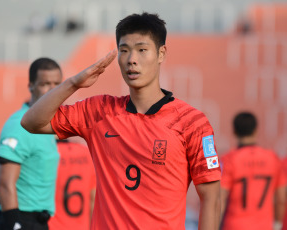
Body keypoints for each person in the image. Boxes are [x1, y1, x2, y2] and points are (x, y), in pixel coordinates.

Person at [21, 12, 221, 230]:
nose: (131, 59)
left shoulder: (192, 122)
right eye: (124, 50)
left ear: (161, 53)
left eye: (142, 50)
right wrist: (74, 83)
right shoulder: (99, 111)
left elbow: (211, 197)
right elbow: (32, 122)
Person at [0, 58, 63, 230]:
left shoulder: (49, 124)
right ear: (31, 86)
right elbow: (5, 182)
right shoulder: (20, 125)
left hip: (40, 220)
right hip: (22, 220)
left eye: (57, 84)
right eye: (45, 83)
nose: (52, 90)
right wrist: (13, 223)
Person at [220, 112, 286, 230]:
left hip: (234, 225)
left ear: (234, 131)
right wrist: (277, 224)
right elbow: (281, 198)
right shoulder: (272, 158)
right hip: (264, 226)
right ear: (256, 130)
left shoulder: (229, 159)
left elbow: (219, 199)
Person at [49, 139, 96, 230]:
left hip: (52, 225)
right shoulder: (87, 153)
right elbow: (93, 199)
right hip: (81, 226)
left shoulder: (49, 153)